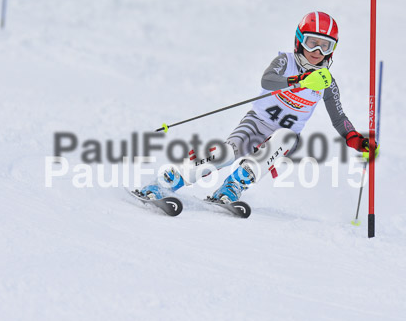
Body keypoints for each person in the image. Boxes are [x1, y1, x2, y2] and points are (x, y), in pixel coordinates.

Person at [138, 11, 376, 203]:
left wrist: (355, 138)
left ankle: (234, 185)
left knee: (286, 136)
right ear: (299, 40)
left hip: (285, 139)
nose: (317, 52)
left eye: (325, 46)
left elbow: (338, 117)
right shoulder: (286, 61)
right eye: (312, 42)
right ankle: (168, 181)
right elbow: (267, 80)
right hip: (255, 123)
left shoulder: (326, 82)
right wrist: (298, 81)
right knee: (227, 153)